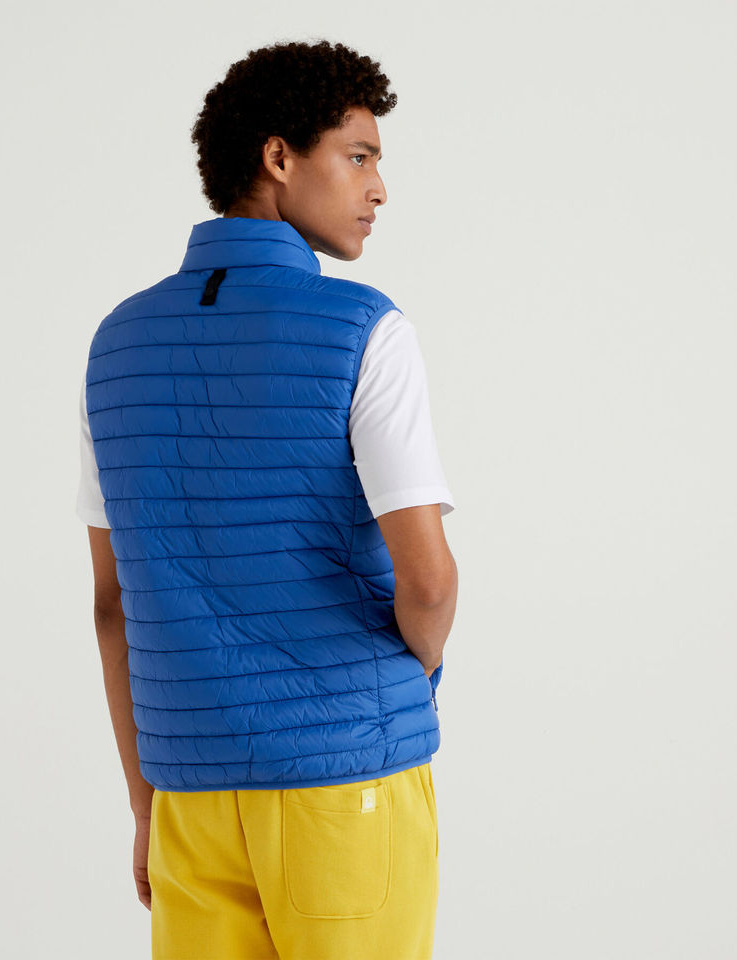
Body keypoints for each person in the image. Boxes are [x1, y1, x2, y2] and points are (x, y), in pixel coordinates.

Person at [76, 38, 459, 960]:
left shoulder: (116, 345)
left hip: (187, 795)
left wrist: (145, 803)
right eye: (358, 156)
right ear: (279, 158)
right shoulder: (364, 328)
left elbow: (112, 605)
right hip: (346, 785)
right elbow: (430, 583)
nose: (378, 189)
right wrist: (408, 682)